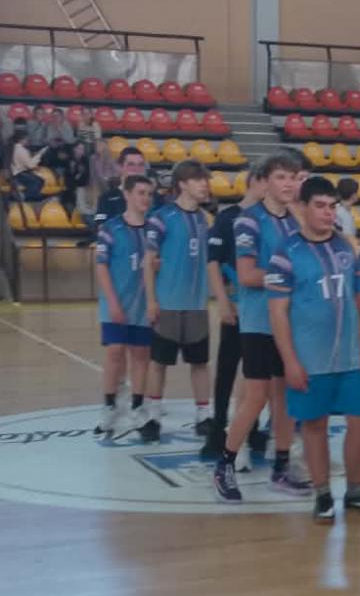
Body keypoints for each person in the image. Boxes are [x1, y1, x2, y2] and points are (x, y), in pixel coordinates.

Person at [266, 177, 360, 521]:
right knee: (314, 424)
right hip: (310, 358)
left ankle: (356, 490)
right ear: (303, 208)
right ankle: (322, 494)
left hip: (351, 356)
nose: (328, 213)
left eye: (332, 206)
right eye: (319, 206)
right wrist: (290, 361)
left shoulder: (351, 248)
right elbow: (277, 312)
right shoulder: (286, 252)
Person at [212, 155, 313, 501]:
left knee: (285, 396)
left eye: (293, 178)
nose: (289, 184)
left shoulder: (296, 220)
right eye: (281, 177)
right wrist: (290, 277)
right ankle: (224, 463)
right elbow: (246, 275)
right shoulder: (249, 220)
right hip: (258, 322)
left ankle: (281, 468)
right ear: (265, 181)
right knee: (256, 397)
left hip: (290, 322)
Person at [142, 161, 216, 445]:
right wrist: (151, 300)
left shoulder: (205, 219)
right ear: (182, 184)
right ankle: (152, 417)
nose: (204, 185)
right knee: (159, 362)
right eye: (198, 180)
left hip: (197, 304)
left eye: (205, 180)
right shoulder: (162, 217)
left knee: (200, 362)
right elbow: (149, 261)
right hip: (168, 303)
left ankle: (203, 415)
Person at [200, 166, 262, 462]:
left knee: (257, 372)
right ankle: (218, 428)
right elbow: (213, 261)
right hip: (236, 307)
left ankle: (252, 427)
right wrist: (222, 301)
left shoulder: (269, 219)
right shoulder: (228, 218)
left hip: (262, 309)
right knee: (227, 369)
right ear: (256, 182)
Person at [94, 175, 156, 438]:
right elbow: (101, 267)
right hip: (116, 303)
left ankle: (138, 408)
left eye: (149, 194)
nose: (146, 198)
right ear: (127, 195)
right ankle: (109, 407)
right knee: (115, 352)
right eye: (141, 193)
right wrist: (112, 303)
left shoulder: (153, 230)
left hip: (142, 305)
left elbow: (159, 264)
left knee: (141, 355)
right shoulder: (111, 228)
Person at [8, 127, 45, 205]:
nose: (27, 140)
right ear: (21, 139)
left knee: (38, 181)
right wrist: (38, 156)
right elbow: (30, 165)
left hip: (15, 172)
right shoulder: (21, 150)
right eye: (26, 139)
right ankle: (24, 196)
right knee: (38, 181)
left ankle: (30, 196)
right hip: (19, 173)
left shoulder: (13, 148)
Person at [333, 177, 360, 245]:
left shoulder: (336, 209)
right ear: (353, 195)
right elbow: (348, 239)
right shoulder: (344, 215)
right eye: (357, 192)